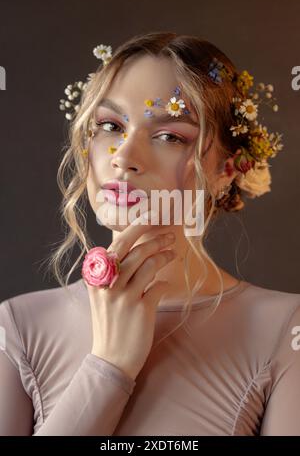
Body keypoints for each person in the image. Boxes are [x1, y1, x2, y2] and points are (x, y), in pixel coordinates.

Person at [0, 31, 299, 436]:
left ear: (225, 171)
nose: (123, 157)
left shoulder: (286, 330)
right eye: (109, 125)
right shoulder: (16, 327)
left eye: (169, 136)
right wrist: (109, 366)